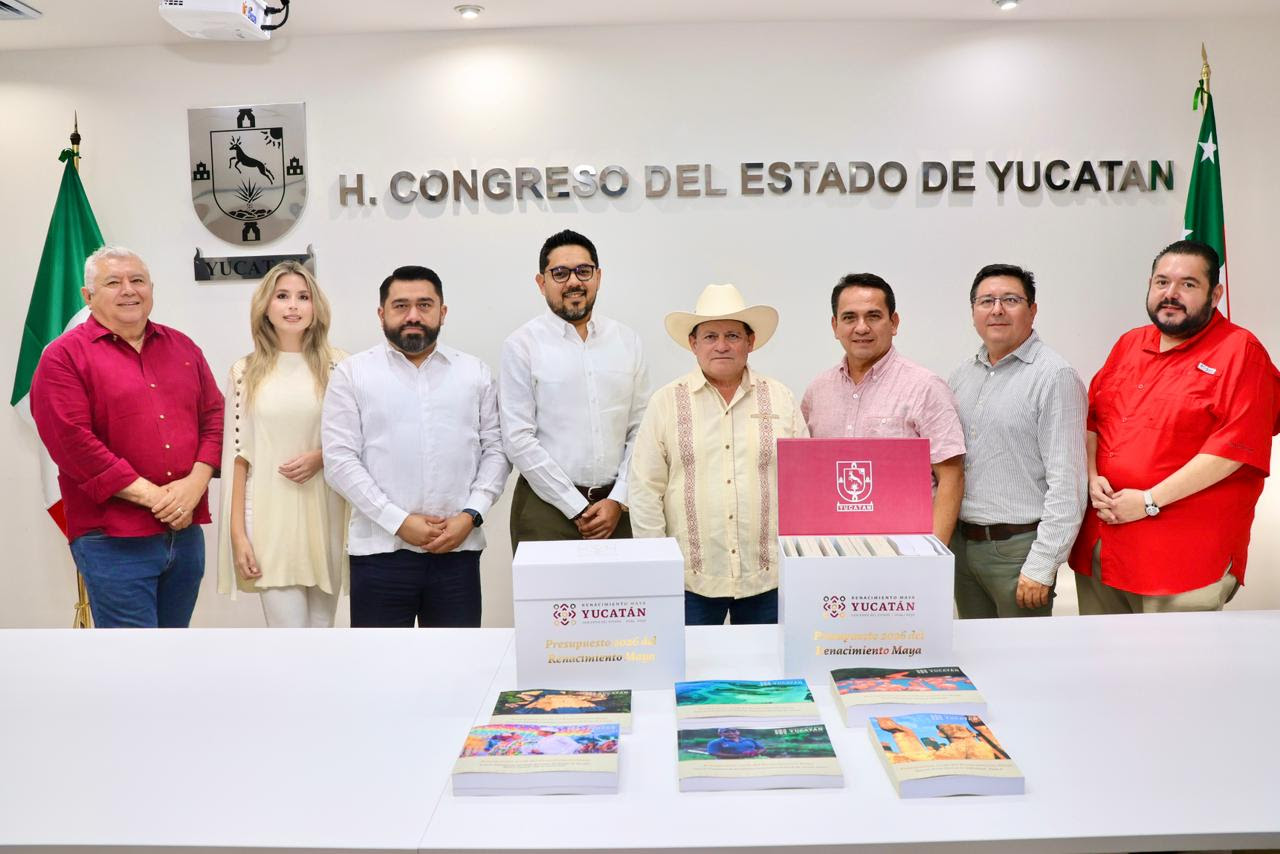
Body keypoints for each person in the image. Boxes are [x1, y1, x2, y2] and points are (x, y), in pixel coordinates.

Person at [1069, 240, 1280, 614]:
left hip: (1182, 558)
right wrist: (1091, 476)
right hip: (1105, 544)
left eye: (1188, 284)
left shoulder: (1241, 352)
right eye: (1162, 282)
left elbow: (1233, 449)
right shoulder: (1129, 344)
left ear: (1215, 295)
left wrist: (1148, 501)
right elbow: (1093, 420)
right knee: (1101, 652)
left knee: (1176, 655)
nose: (1171, 294)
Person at [30, 245, 223, 628]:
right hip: (112, 540)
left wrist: (195, 483)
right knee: (131, 657)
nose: (129, 290)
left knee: (173, 651)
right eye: (113, 282)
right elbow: (73, 443)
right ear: (87, 296)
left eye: (137, 280)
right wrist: (156, 498)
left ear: (151, 288)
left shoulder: (183, 347)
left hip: (184, 535)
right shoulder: (63, 357)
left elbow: (215, 416)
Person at [322, 265, 510, 627]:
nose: (413, 315)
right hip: (379, 553)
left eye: (425, 305)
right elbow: (340, 460)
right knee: (380, 662)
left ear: (442, 311)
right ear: (381, 314)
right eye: (401, 306)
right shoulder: (353, 374)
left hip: (458, 551)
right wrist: (398, 522)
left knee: (457, 660)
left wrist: (470, 515)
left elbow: (497, 449)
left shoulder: (474, 373)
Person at [629, 284, 806, 625]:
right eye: (710, 336)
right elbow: (645, 489)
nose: (721, 345)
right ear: (693, 343)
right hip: (689, 579)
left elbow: (803, 487)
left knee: (768, 660)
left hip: (767, 577)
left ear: (750, 341)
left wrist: (798, 561)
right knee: (687, 660)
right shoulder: (666, 403)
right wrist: (657, 566)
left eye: (732, 336)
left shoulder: (781, 399)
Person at [947, 264, 1087, 618]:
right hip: (963, 547)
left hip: (1018, 553)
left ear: (1032, 310)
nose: (997, 310)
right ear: (973, 312)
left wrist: (1043, 564)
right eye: (986, 301)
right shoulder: (962, 375)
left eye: (1010, 300)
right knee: (974, 649)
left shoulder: (1054, 376)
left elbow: (1068, 482)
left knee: (1024, 652)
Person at [216, 261, 349, 628]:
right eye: (283, 296)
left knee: (322, 633)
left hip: (326, 513)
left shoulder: (340, 366)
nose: (293, 306)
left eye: (303, 297)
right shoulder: (244, 371)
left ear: (316, 307)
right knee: (289, 639)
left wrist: (322, 457)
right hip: (267, 516)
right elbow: (238, 457)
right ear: (266, 307)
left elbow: (358, 438)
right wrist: (238, 535)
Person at [500, 229, 648, 551]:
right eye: (560, 273)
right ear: (542, 282)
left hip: (618, 509)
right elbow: (518, 438)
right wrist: (575, 506)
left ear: (598, 277)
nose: (573, 282)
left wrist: (618, 498)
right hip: (545, 510)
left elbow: (641, 428)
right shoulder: (522, 345)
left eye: (583, 271)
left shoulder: (627, 342)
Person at [802, 273, 966, 544]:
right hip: (834, 548)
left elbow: (951, 476)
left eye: (873, 316)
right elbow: (809, 476)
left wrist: (931, 554)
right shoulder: (817, 392)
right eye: (849, 317)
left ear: (894, 322)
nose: (861, 328)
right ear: (835, 326)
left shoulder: (925, 387)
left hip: (908, 548)